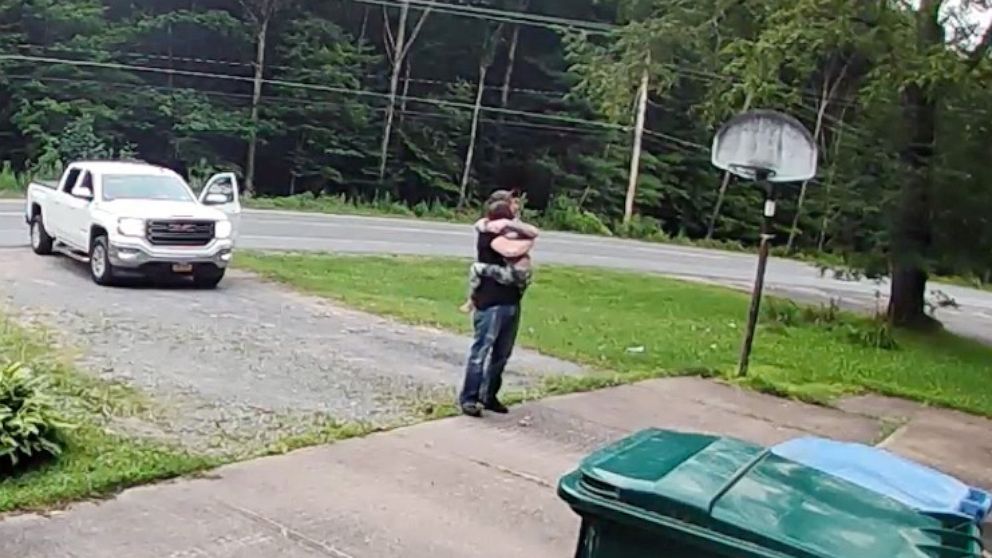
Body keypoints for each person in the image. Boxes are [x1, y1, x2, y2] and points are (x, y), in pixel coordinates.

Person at [458, 195, 539, 417]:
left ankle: (489, 395)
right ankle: (469, 398)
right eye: (513, 206)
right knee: (481, 351)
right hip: (491, 302)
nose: (517, 209)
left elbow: (530, 234)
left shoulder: (508, 230)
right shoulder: (490, 234)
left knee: (502, 354)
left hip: (511, 301)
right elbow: (513, 250)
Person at [459, 201, 535, 313]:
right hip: (523, 275)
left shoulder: (503, 231)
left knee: (476, 268)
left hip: (513, 273)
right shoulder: (517, 229)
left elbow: (509, 251)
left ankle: (471, 300)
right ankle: (472, 300)